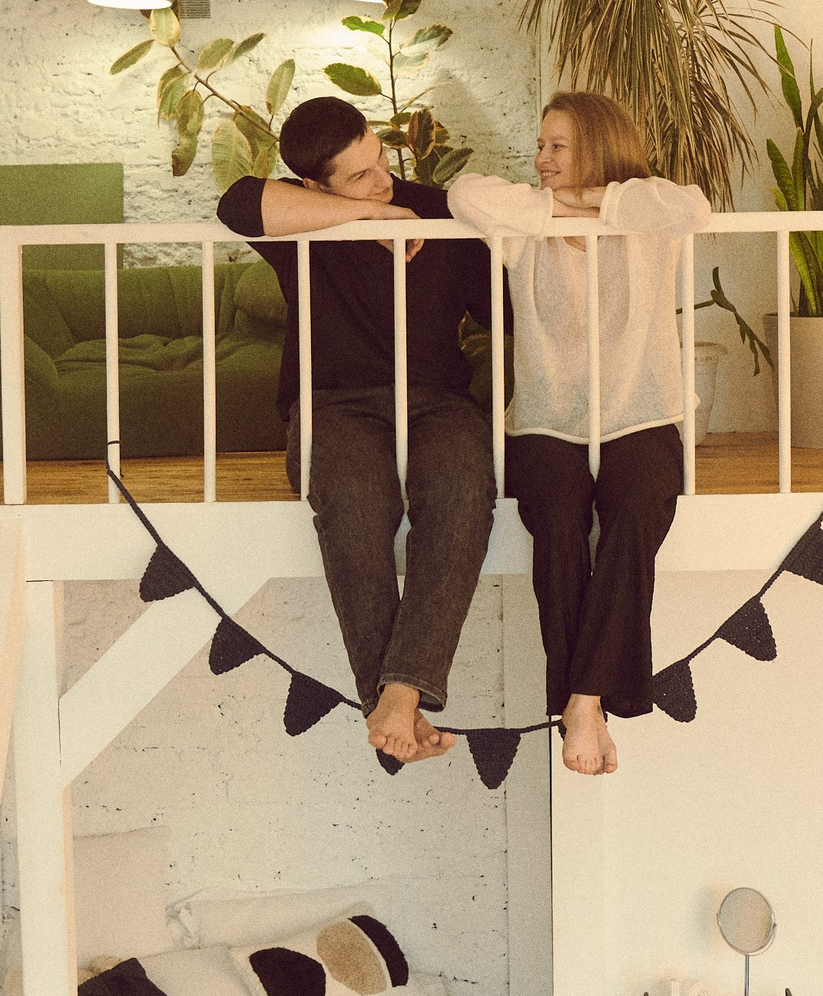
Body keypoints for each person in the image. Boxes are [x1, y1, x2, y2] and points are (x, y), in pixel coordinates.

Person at [217, 96, 501, 766]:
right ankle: (399, 697)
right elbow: (237, 203)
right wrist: (369, 217)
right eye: (359, 177)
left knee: (463, 491)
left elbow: (505, 311)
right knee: (353, 500)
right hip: (332, 406)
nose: (383, 182)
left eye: (380, 162)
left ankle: (394, 696)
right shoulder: (305, 222)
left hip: (438, 402)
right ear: (314, 186)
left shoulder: (437, 211)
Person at [448, 92, 709, 776]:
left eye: (557, 146)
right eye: (541, 145)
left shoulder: (648, 218)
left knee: (636, 512)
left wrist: (596, 203)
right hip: (548, 419)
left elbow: (692, 207)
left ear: (597, 147)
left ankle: (581, 700)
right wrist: (556, 209)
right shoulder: (524, 230)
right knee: (560, 522)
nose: (541, 158)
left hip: (641, 412)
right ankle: (589, 703)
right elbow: (464, 193)